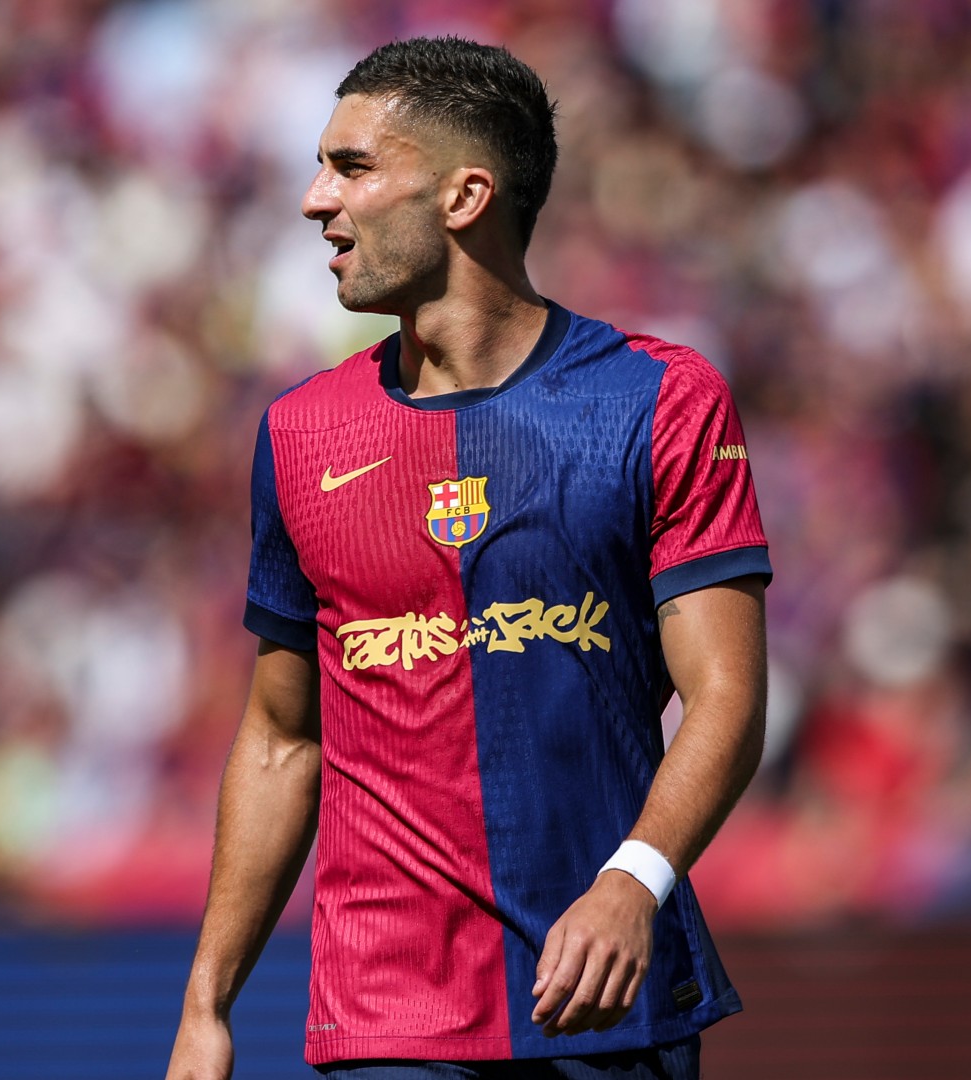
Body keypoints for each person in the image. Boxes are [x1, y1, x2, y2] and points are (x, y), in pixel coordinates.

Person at [166, 37, 770, 1080]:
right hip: (387, 1013)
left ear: (464, 196)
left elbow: (726, 696)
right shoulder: (302, 433)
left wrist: (634, 881)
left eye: (352, 167)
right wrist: (205, 1005)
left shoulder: (659, 400)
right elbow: (280, 737)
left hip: (602, 997)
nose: (315, 200)